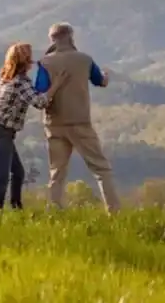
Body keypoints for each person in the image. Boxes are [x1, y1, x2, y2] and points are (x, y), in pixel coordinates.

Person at [38, 22, 121, 213]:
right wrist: (106, 76)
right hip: (80, 122)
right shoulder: (84, 59)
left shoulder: (45, 62)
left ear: (51, 39)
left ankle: (54, 210)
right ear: (71, 36)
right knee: (101, 168)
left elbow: (40, 91)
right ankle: (113, 211)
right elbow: (100, 81)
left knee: (56, 171)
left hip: (54, 123)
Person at [0, 42, 50, 212]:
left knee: (18, 173)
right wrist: (55, 87)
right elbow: (39, 102)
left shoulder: (3, 78)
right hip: (4, 132)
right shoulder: (22, 82)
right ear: (25, 61)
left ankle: (16, 208)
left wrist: (4, 108)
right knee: (2, 177)